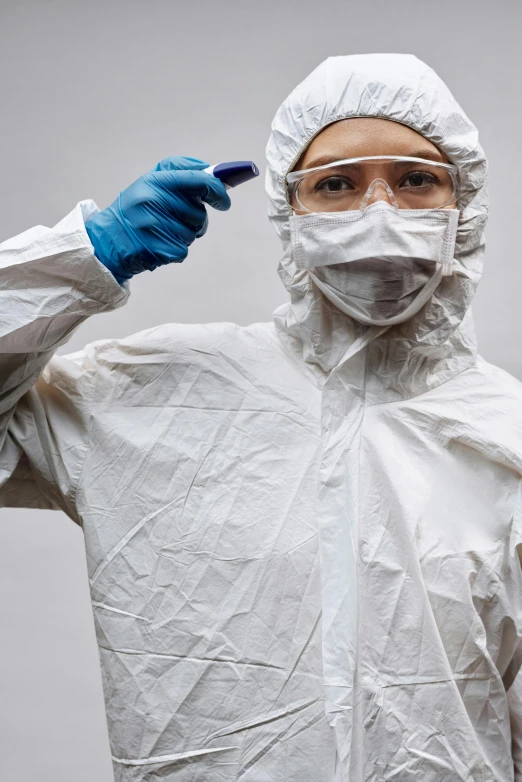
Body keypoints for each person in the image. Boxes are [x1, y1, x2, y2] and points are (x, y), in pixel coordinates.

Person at [0, 52, 521, 782]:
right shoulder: (150, 395)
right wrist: (87, 258)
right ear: (289, 209)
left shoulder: (506, 434)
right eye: (336, 184)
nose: (379, 211)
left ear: (462, 207)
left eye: (415, 181)